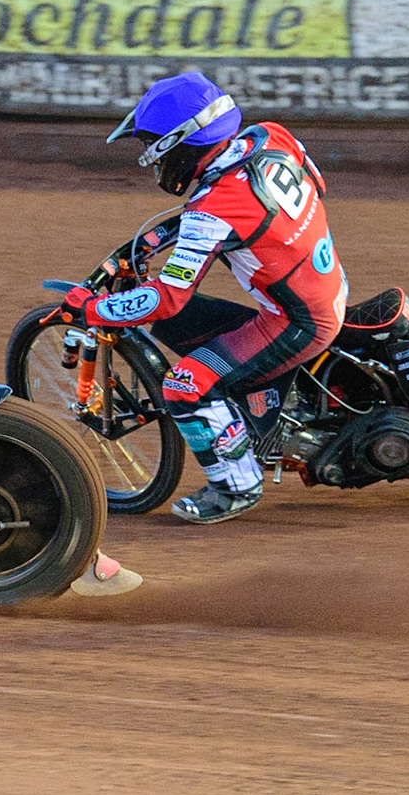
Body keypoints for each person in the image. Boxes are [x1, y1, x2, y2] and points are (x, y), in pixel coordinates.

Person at [49, 71, 349, 524]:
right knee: (182, 327)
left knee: (184, 385)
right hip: (324, 285)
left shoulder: (212, 210)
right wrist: (149, 243)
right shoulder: (269, 136)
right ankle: (251, 405)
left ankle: (236, 487)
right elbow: (286, 196)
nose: (151, 162)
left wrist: (90, 310)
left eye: (153, 148)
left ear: (181, 144)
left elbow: (167, 298)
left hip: (296, 321)